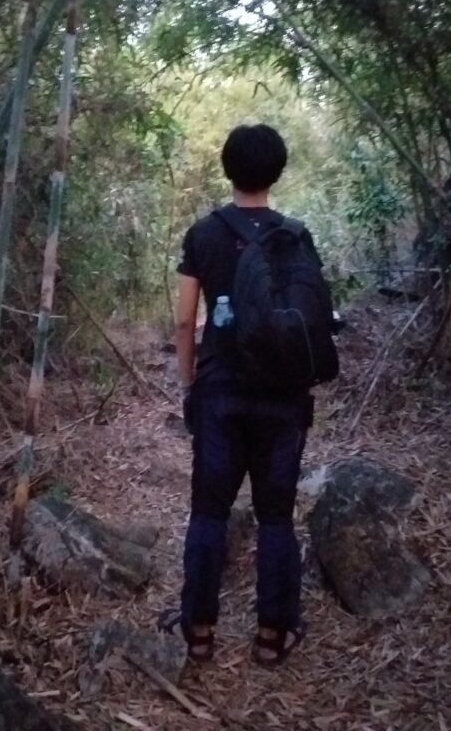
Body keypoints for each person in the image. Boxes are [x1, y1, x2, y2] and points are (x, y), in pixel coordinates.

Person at [161, 124, 318, 666]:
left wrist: (189, 385)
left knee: (209, 511)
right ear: (276, 171)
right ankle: (273, 636)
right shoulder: (295, 235)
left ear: (228, 168)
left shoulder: (203, 234)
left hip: (220, 395)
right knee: (276, 516)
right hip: (283, 398)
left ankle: (199, 631)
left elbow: (185, 320)